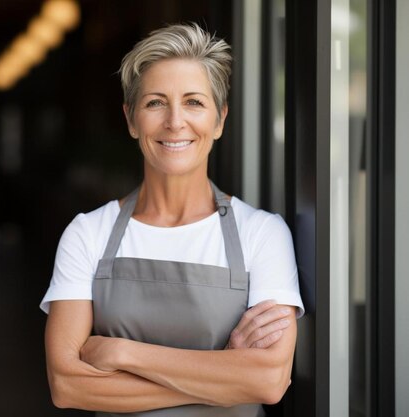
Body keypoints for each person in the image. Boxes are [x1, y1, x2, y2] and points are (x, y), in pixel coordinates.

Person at [40, 23, 304, 416]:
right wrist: (224, 378)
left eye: (194, 102)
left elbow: (268, 380)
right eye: (155, 103)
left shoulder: (262, 234)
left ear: (219, 120)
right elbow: (67, 386)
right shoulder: (87, 233)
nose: (175, 121)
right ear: (131, 119)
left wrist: (120, 351)